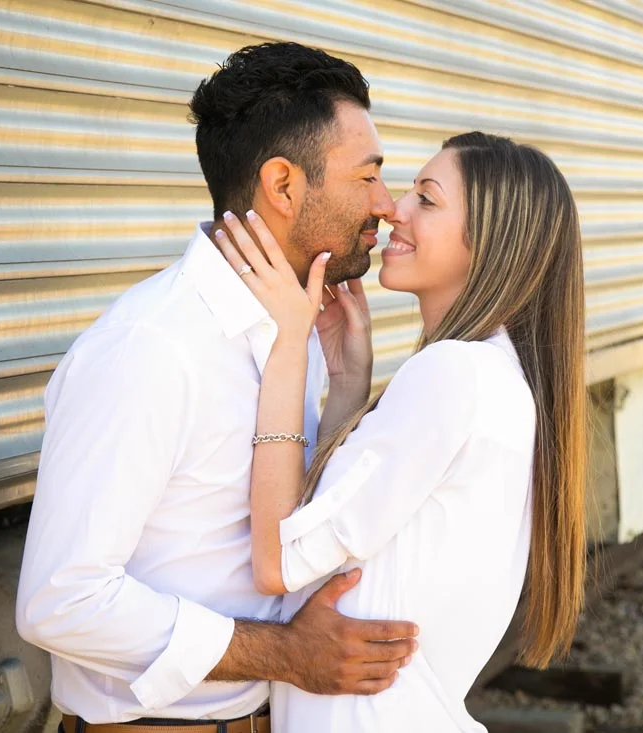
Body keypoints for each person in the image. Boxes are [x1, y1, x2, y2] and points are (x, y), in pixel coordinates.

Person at [14, 42, 419, 733]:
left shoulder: (296, 326)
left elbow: (286, 533)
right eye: (368, 176)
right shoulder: (151, 349)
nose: (386, 205)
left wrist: (347, 388)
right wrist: (286, 654)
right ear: (283, 186)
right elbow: (60, 601)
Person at [214, 131, 588, 732]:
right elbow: (343, 526)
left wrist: (288, 347)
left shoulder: (455, 373)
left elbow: (279, 562)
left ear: (491, 241)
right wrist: (349, 384)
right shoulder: (493, 376)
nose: (393, 209)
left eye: (427, 199)